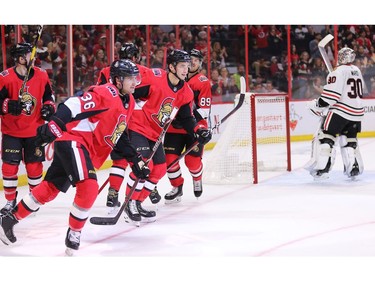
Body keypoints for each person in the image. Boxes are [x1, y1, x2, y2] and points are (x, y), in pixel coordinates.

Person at [0, 59, 150, 254]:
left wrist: (135, 159)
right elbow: (72, 104)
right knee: (89, 186)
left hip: (82, 147)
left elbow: (118, 134)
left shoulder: (128, 101)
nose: (134, 82)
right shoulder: (106, 92)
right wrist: (54, 124)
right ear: (117, 80)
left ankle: (9, 220)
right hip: (74, 140)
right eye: (129, 78)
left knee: (49, 189)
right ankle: (74, 232)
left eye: (134, 78)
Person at [123, 49, 212, 225]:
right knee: (143, 165)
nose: (186, 69)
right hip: (138, 127)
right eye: (182, 66)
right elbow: (131, 94)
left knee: (160, 168)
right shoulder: (155, 78)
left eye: (187, 66)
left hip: (155, 133)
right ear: (171, 67)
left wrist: (198, 131)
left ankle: (139, 202)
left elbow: (187, 118)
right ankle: (129, 203)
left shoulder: (185, 91)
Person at [97, 42, 161, 210]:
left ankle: (113, 194)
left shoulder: (107, 70)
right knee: (141, 159)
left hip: (116, 121)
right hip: (136, 122)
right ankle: (148, 189)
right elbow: (152, 96)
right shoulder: (144, 72)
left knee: (120, 160)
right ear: (136, 57)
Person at [0, 42, 56, 214]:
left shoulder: (41, 74)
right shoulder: (4, 77)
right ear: (20, 58)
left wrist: (49, 107)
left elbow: (49, 96)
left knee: (34, 167)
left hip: (35, 130)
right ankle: (10, 202)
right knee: (9, 167)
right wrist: (8, 105)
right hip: (11, 131)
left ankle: (33, 199)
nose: (35, 58)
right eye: (31, 55)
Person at [307, 47, 365, 180]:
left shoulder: (337, 72)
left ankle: (322, 169)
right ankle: (353, 167)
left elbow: (330, 98)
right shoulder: (356, 70)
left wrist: (316, 104)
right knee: (349, 139)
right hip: (356, 113)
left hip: (340, 112)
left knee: (326, 136)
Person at [163, 48, 212, 203]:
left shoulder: (202, 82)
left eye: (196, 61)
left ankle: (197, 178)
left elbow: (205, 111)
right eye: (190, 60)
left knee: (192, 162)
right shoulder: (174, 79)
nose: (191, 64)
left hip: (195, 127)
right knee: (169, 161)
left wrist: (186, 117)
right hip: (174, 128)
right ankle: (177, 187)